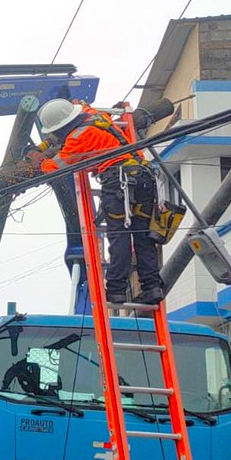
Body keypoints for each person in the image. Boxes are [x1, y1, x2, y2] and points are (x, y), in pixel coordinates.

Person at [36, 98, 165, 306]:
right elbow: (81, 104)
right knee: (143, 237)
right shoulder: (96, 116)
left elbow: (55, 167)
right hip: (144, 177)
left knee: (120, 235)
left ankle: (116, 291)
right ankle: (152, 287)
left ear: (62, 127)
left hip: (119, 182)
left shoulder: (78, 138)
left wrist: (38, 160)